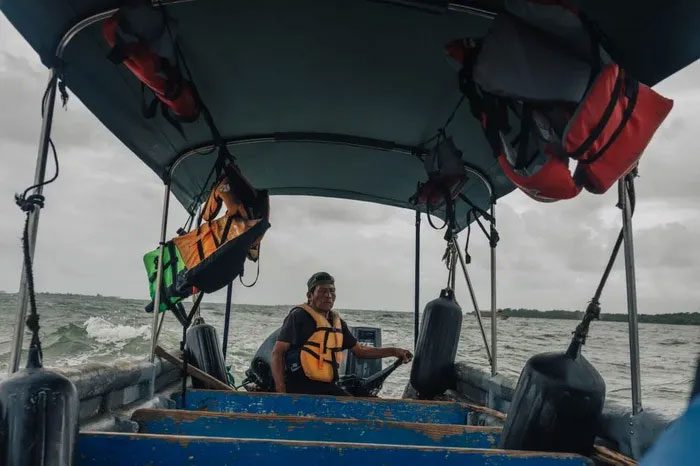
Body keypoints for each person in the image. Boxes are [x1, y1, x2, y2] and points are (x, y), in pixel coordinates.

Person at [271, 272, 412, 396]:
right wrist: (281, 393)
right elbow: (277, 353)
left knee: (358, 407)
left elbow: (360, 351)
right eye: (322, 291)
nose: (328, 295)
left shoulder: (336, 321)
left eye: (332, 291)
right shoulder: (299, 316)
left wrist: (394, 351)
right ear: (310, 295)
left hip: (327, 386)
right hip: (299, 387)